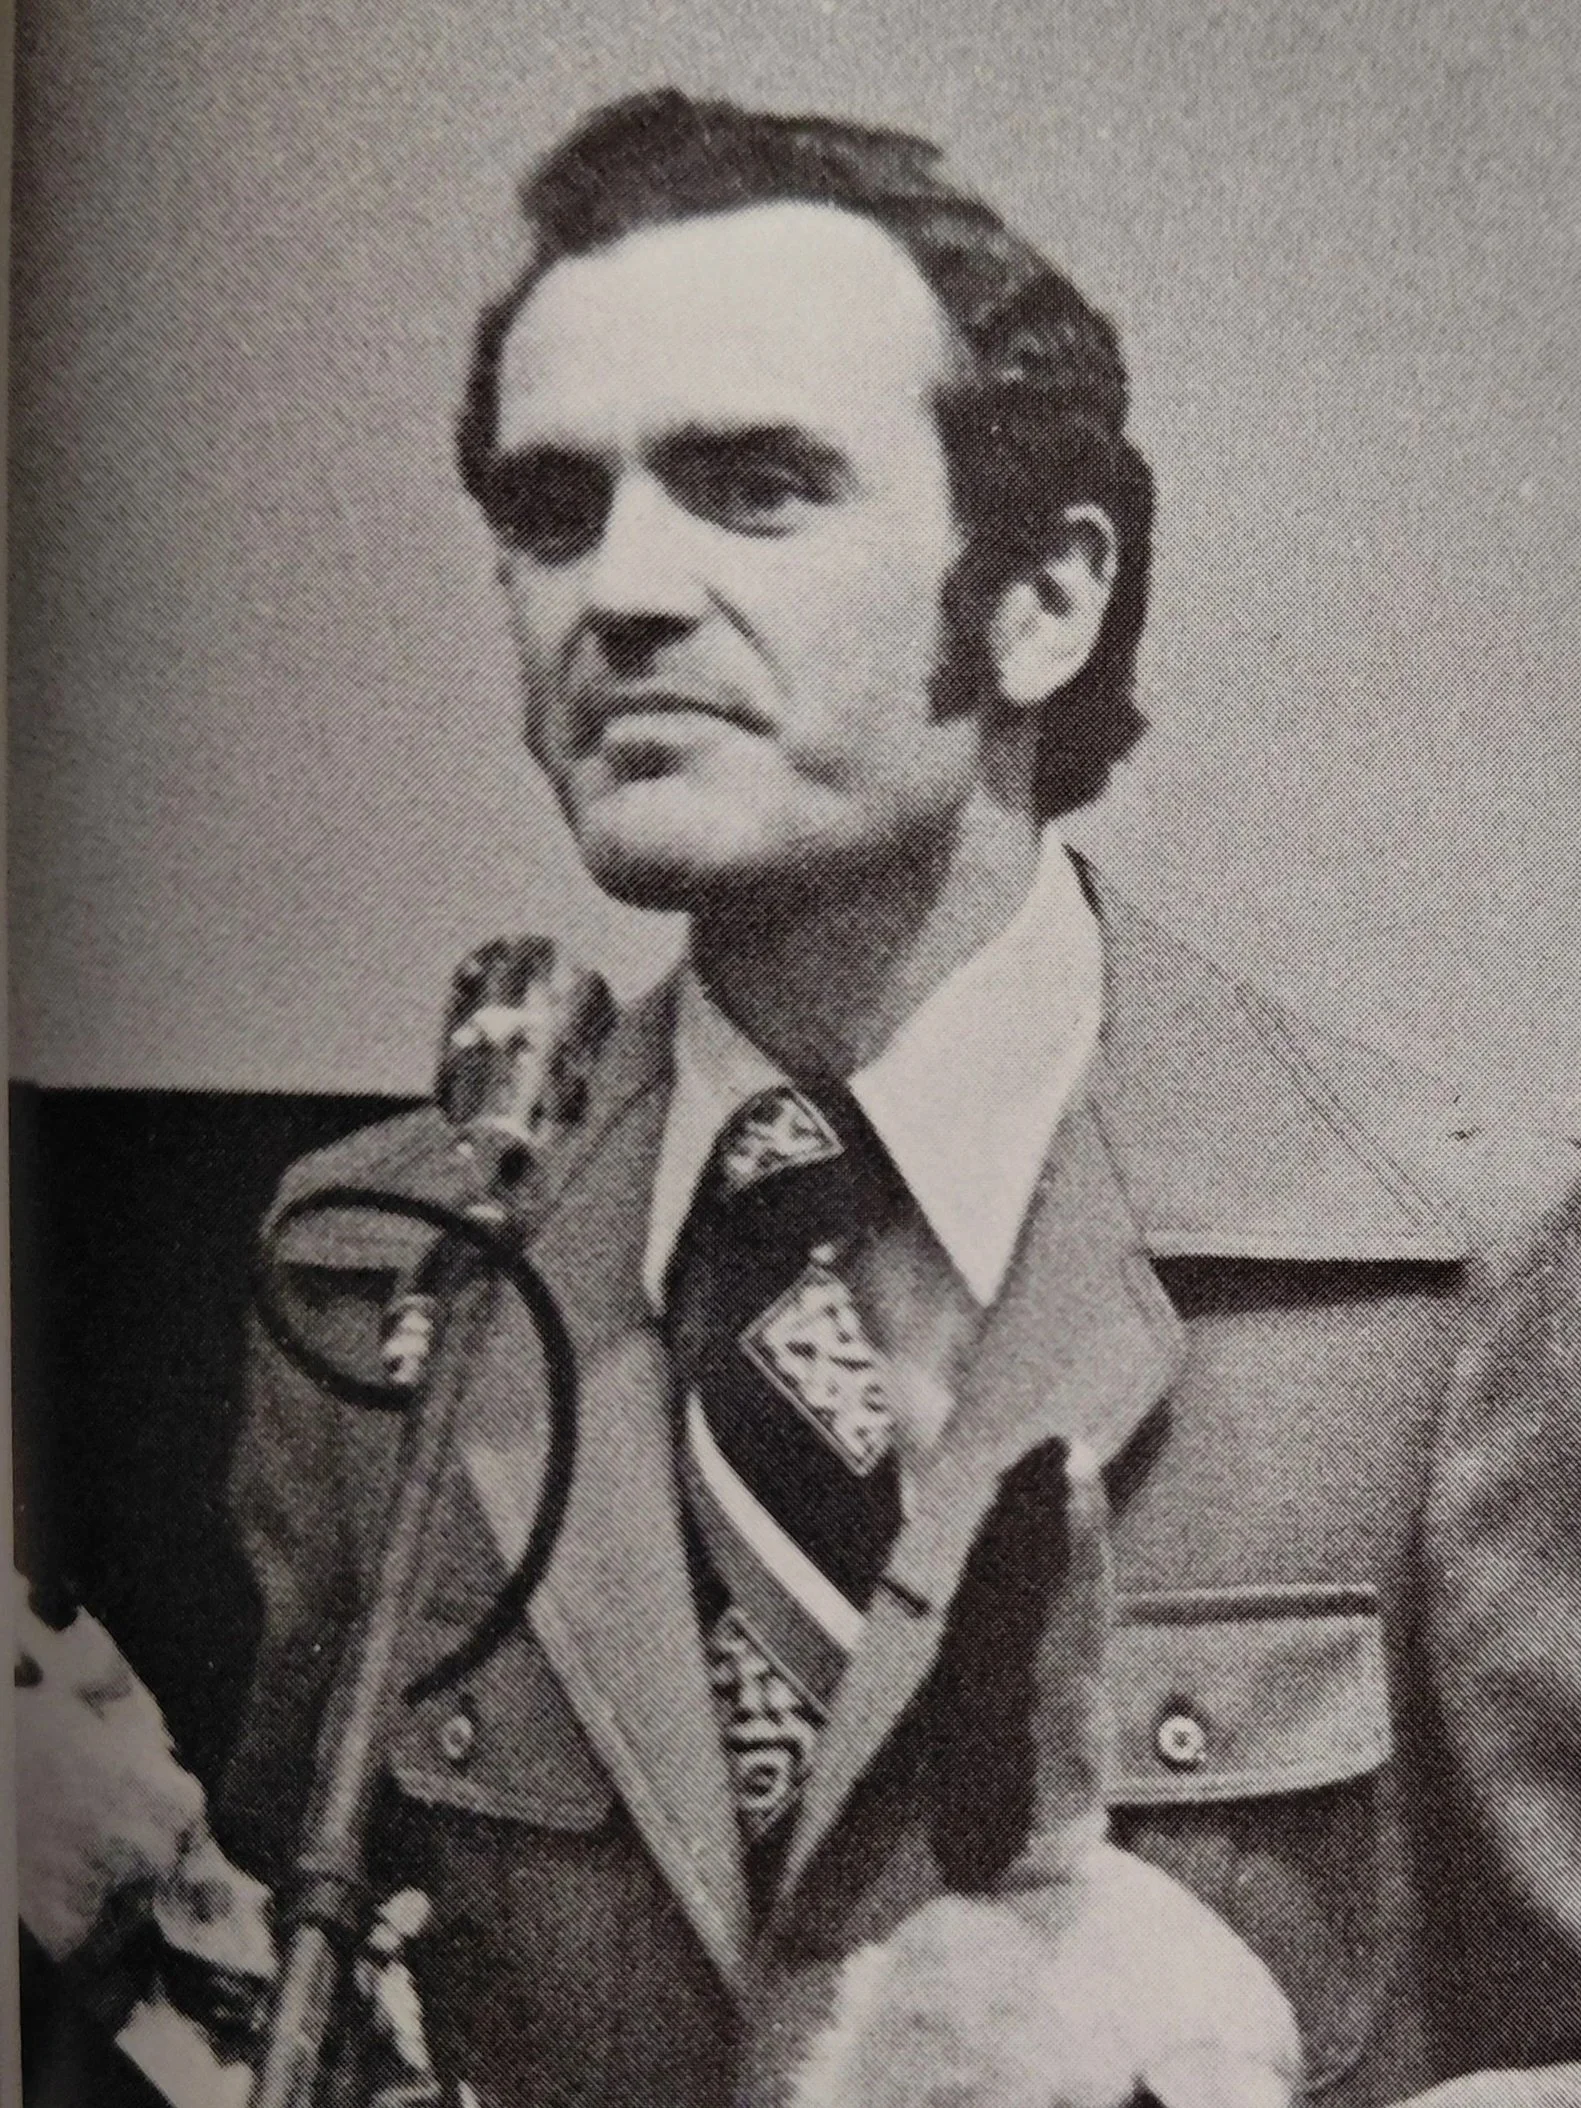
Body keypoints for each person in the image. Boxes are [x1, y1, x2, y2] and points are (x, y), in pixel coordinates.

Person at [207, 90, 1581, 2108]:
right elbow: (276, 2002)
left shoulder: (1450, 1275)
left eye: (753, 487)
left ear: (1043, 593)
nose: (623, 594)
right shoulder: (389, 1286)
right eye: (551, 511)